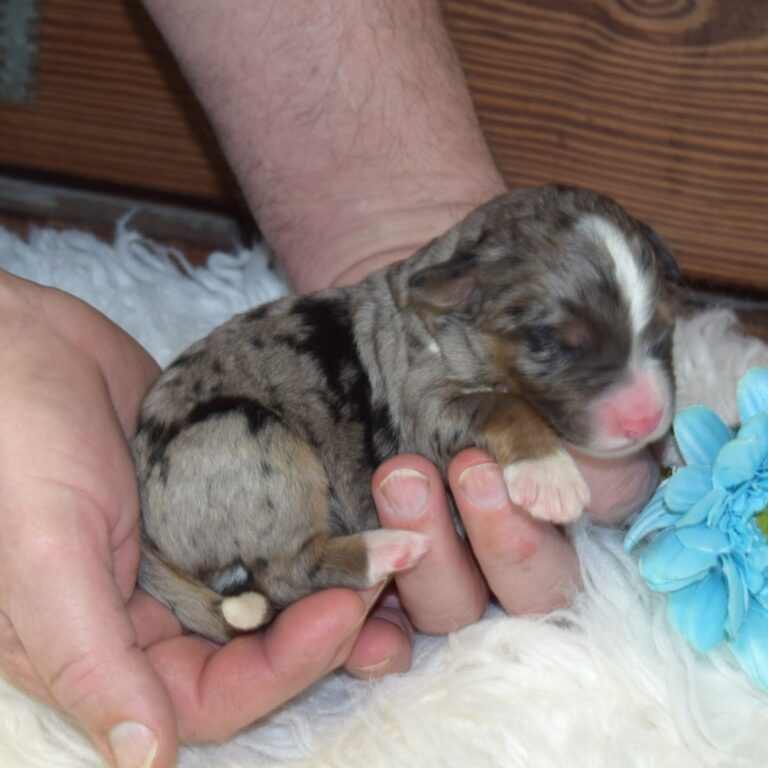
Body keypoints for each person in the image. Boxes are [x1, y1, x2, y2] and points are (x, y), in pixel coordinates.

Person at [0, 2, 660, 767]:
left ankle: (271, 575)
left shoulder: (431, 315)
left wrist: (391, 220)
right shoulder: (426, 358)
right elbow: (444, 404)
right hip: (223, 440)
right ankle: (305, 565)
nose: (644, 405)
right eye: (563, 345)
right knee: (291, 484)